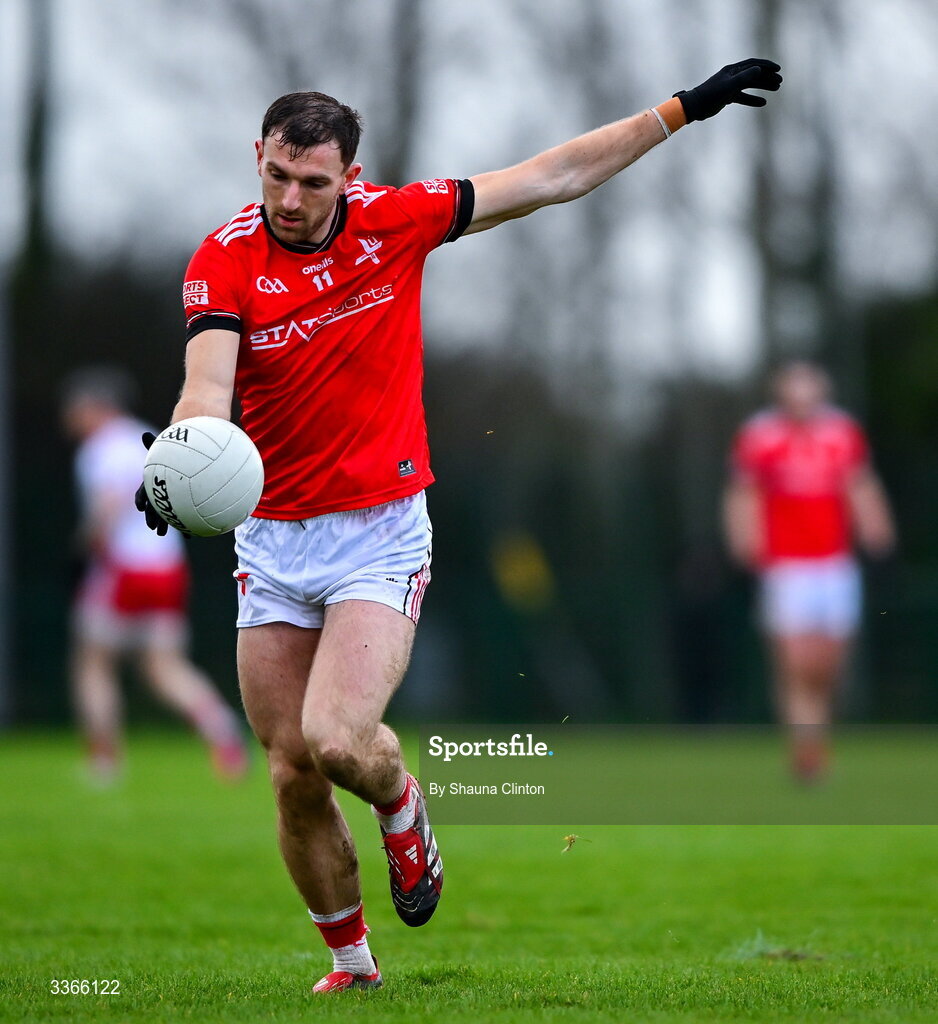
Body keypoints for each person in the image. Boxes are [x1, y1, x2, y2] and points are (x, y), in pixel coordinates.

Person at [136, 60, 782, 992]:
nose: (289, 197)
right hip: (273, 541)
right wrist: (183, 460)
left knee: (338, 741)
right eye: (276, 174)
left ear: (351, 179)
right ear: (259, 158)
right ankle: (354, 967)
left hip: (378, 530)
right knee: (290, 773)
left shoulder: (398, 221)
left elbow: (550, 177)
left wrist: (681, 110)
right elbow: (207, 386)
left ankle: (401, 805)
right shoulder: (223, 258)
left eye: (312, 182)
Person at [62, 367, 248, 782]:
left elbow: (108, 507)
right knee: (164, 667)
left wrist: (82, 554)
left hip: (123, 568)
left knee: (92, 663)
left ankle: (104, 760)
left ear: (95, 407)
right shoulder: (147, 437)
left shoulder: (99, 449)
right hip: (166, 566)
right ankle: (220, 726)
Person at [723, 361, 896, 781]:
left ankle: (815, 733)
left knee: (828, 665)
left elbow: (860, 483)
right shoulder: (760, 436)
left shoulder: (842, 433)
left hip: (834, 565)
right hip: (786, 567)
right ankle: (807, 750)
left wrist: (876, 525)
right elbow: (742, 493)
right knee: (795, 662)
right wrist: (744, 538)